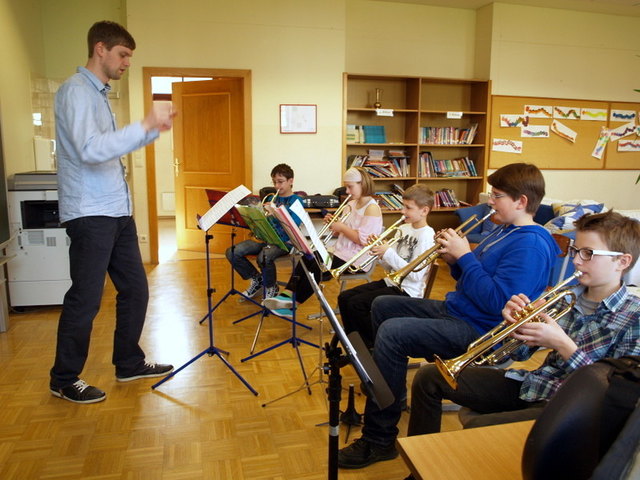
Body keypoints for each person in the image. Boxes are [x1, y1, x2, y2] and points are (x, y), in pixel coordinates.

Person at [338, 162, 561, 468]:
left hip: (481, 330)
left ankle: (379, 439)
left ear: (521, 201)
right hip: (460, 310)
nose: (490, 201)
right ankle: (393, 393)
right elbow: (472, 279)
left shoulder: (530, 245)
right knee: (382, 305)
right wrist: (455, 260)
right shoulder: (505, 229)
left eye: (497, 196)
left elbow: (497, 303)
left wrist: (465, 255)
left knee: (392, 333)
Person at [405, 211, 640, 480]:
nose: (576, 260)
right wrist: (514, 326)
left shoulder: (634, 316)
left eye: (588, 253)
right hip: (534, 385)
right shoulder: (564, 297)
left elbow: (616, 395)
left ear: (622, 261)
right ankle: (417, 470)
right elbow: (517, 353)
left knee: (479, 429)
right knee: (429, 377)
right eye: (576, 250)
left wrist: (564, 345)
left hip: (576, 410)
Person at [50, 20, 176, 404]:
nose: (127, 63)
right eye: (123, 55)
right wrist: (144, 124)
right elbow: (91, 150)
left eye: (130, 57)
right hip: (90, 213)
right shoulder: (76, 91)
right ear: (100, 49)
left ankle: (128, 362)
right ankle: (63, 378)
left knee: (135, 289)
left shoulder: (98, 94)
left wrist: (153, 129)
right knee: (86, 299)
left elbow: (107, 147)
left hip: (116, 211)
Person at [263, 166, 383, 318]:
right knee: (308, 257)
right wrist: (334, 224)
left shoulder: (372, 208)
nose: (347, 191)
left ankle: (293, 304)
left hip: (357, 259)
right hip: (340, 251)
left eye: (350, 187)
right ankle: (287, 295)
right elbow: (339, 232)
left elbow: (364, 240)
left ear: (363, 184)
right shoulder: (351, 204)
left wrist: (341, 227)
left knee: (318, 265)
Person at [337, 184, 436, 348]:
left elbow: (416, 275)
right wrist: (379, 252)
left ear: (424, 211)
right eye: (403, 206)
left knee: (357, 304)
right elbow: (390, 266)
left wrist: (388, 252)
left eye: (408, 208)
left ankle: (372, 345)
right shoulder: (403, 228)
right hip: (392, 282)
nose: (403, 211)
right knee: (345, 298)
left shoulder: (428, 236)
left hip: (408, 291)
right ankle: (355, 343)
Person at [225, 163, 302, 301]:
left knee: (264, 257)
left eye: (280, 182)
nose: (277, 186)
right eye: (274, 182)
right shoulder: (272, 198)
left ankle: (272, 287)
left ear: (291, 181)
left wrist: (275, 213)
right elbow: (264, 221)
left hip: (285, 242)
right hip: (266, 238)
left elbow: (293, 226)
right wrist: (257, 213)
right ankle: (258, 280)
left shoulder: (297, 201)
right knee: (232, 252)